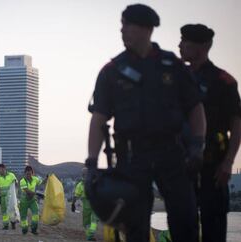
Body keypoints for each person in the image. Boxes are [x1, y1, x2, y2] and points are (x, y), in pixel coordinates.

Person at [86, 4, 207, 242]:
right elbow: (99, 117)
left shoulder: (172, 66)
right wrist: (91, 161)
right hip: (132, 157)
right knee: (135, 226)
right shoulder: (112, 71)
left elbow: (195, 107)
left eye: (127, 25)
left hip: (172, 154)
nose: (122, 31)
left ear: (147, 29)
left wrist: (198, 144)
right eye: (121, 25)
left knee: (186, 219)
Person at [179, 24, 241, 242]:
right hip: (181, 163)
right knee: (183, 225)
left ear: (202, 47)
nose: (180, 45)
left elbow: (237, 123)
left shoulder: (223, 81)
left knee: (213, 223)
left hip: (214, 164)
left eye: (185, 42)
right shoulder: (175, 77)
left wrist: (228, 162)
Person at [72, 167, 98, 241]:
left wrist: (73, 204)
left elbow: (76, 196)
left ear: (82, 175)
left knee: (86, 222)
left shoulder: (80, 185)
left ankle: (89, 236)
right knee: (94, 220)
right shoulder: (95, 182)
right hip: (95, 203)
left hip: (86, 204)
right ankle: (91, 235)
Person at [19, 165, 42, 235]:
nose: (29, 175)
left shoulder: (35, 179)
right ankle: (24, 228)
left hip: (32, 201)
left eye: (30, 173)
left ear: (32, 173)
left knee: (36, 214)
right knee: (23, 217)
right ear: (25, 173)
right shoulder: (22, 181)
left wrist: (47, 178)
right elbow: (27, 191)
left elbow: (41, 182)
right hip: (24, 201)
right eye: (27, 174)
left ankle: (34, 229)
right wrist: (37, 194)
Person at [0, 163, 18, 230]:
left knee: (11, 210)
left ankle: (13, 223)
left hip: (11, 197)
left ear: (4, 169)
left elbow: (16, 184)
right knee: (4, 211)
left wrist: (16, 194)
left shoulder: (11, 175)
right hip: (3, 197)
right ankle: (5, 225)